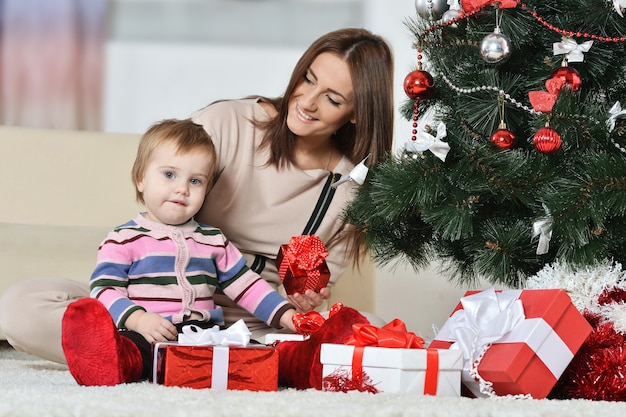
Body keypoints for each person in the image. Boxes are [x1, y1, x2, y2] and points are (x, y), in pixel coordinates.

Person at [0, 27, 395, 365]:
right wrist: (137, 315)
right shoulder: (230, 124)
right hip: (155, 305)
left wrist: (304, 298)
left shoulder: (346, 190)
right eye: (308, 79)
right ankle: (158, 352)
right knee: (21, 306)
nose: (307, 102)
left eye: (332, 98)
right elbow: (162, 201)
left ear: (357, 114)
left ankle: (147, 358)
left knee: (374, 331)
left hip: (251, 323)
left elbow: (299, 287)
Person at [61, 118, 297, 385]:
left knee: (252, 352)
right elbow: (104, 290)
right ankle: (105, 363)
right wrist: (138, 319)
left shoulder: (213, 239)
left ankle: (297, 362)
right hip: (150, 334)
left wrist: (287, 314)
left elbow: (246, 285)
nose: (182, 189)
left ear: (206, 190)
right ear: (141, 180)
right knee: (130, 352)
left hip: (205, 334)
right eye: (169, 175)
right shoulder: (123, 239)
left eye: (195, 181)